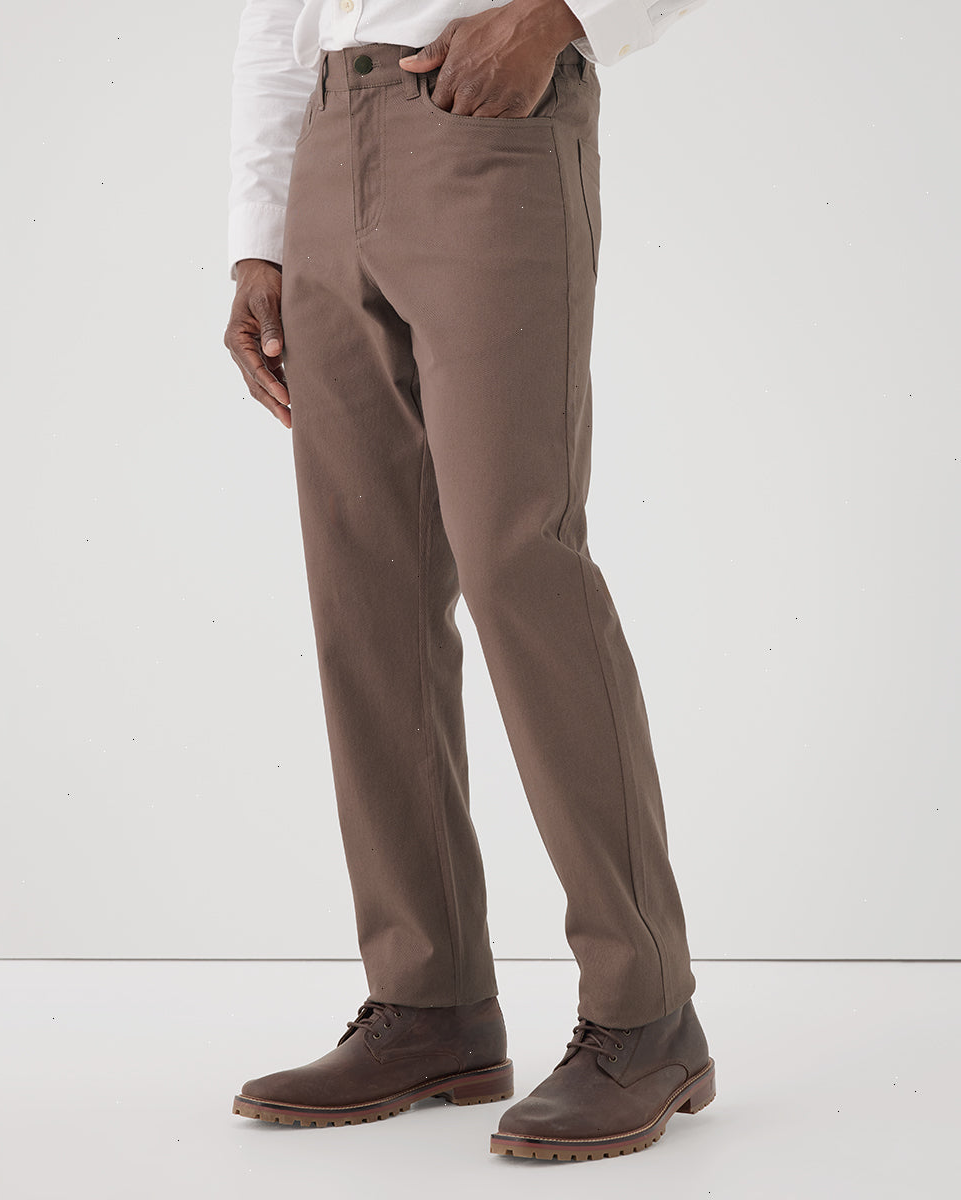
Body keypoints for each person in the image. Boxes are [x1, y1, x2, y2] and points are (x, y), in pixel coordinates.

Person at [224, 0, 714, 1162]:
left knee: (517, 561)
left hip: (489, 121)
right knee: (365, 594)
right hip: (325, 143)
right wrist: (259, 234)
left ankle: (647, 1013)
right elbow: (274, 15)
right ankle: (429, 1002)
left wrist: (561, 15)